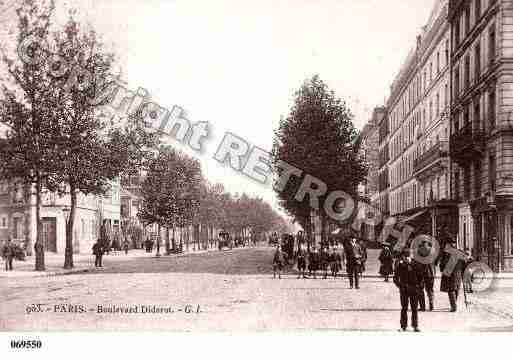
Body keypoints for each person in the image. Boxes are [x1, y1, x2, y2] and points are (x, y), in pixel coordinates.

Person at [394, 248, 423, 332]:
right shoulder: (400, 265)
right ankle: (403, 326)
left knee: (414, 308)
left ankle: (415, 325)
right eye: (405, 257)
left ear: (412, 256)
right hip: (404, 289)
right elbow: (395, 278)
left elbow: (421, 277)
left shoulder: (417, 265)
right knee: (404, 308)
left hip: (414, 289)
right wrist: (400, 286)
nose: (407, 258)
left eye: (408, 256)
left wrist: (419, 287)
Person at [439, 238, 465, 312]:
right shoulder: (460, 252)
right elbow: (464, 262)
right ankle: (454, 304)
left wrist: (442, 269)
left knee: (451, 290)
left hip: (450, 273)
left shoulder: (447, 252)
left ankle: (454, 306)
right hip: (458, 273)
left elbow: (443, 263)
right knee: (456, 289)